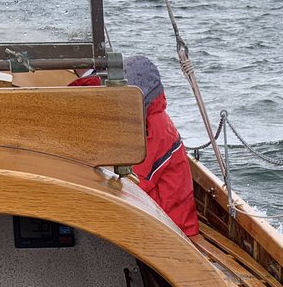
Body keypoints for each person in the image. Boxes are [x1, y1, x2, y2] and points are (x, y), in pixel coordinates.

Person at [74, 56, 199, 237]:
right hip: (147, 218)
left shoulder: (154, 129)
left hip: (170, 230)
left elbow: (134, 184)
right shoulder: (136, 121)